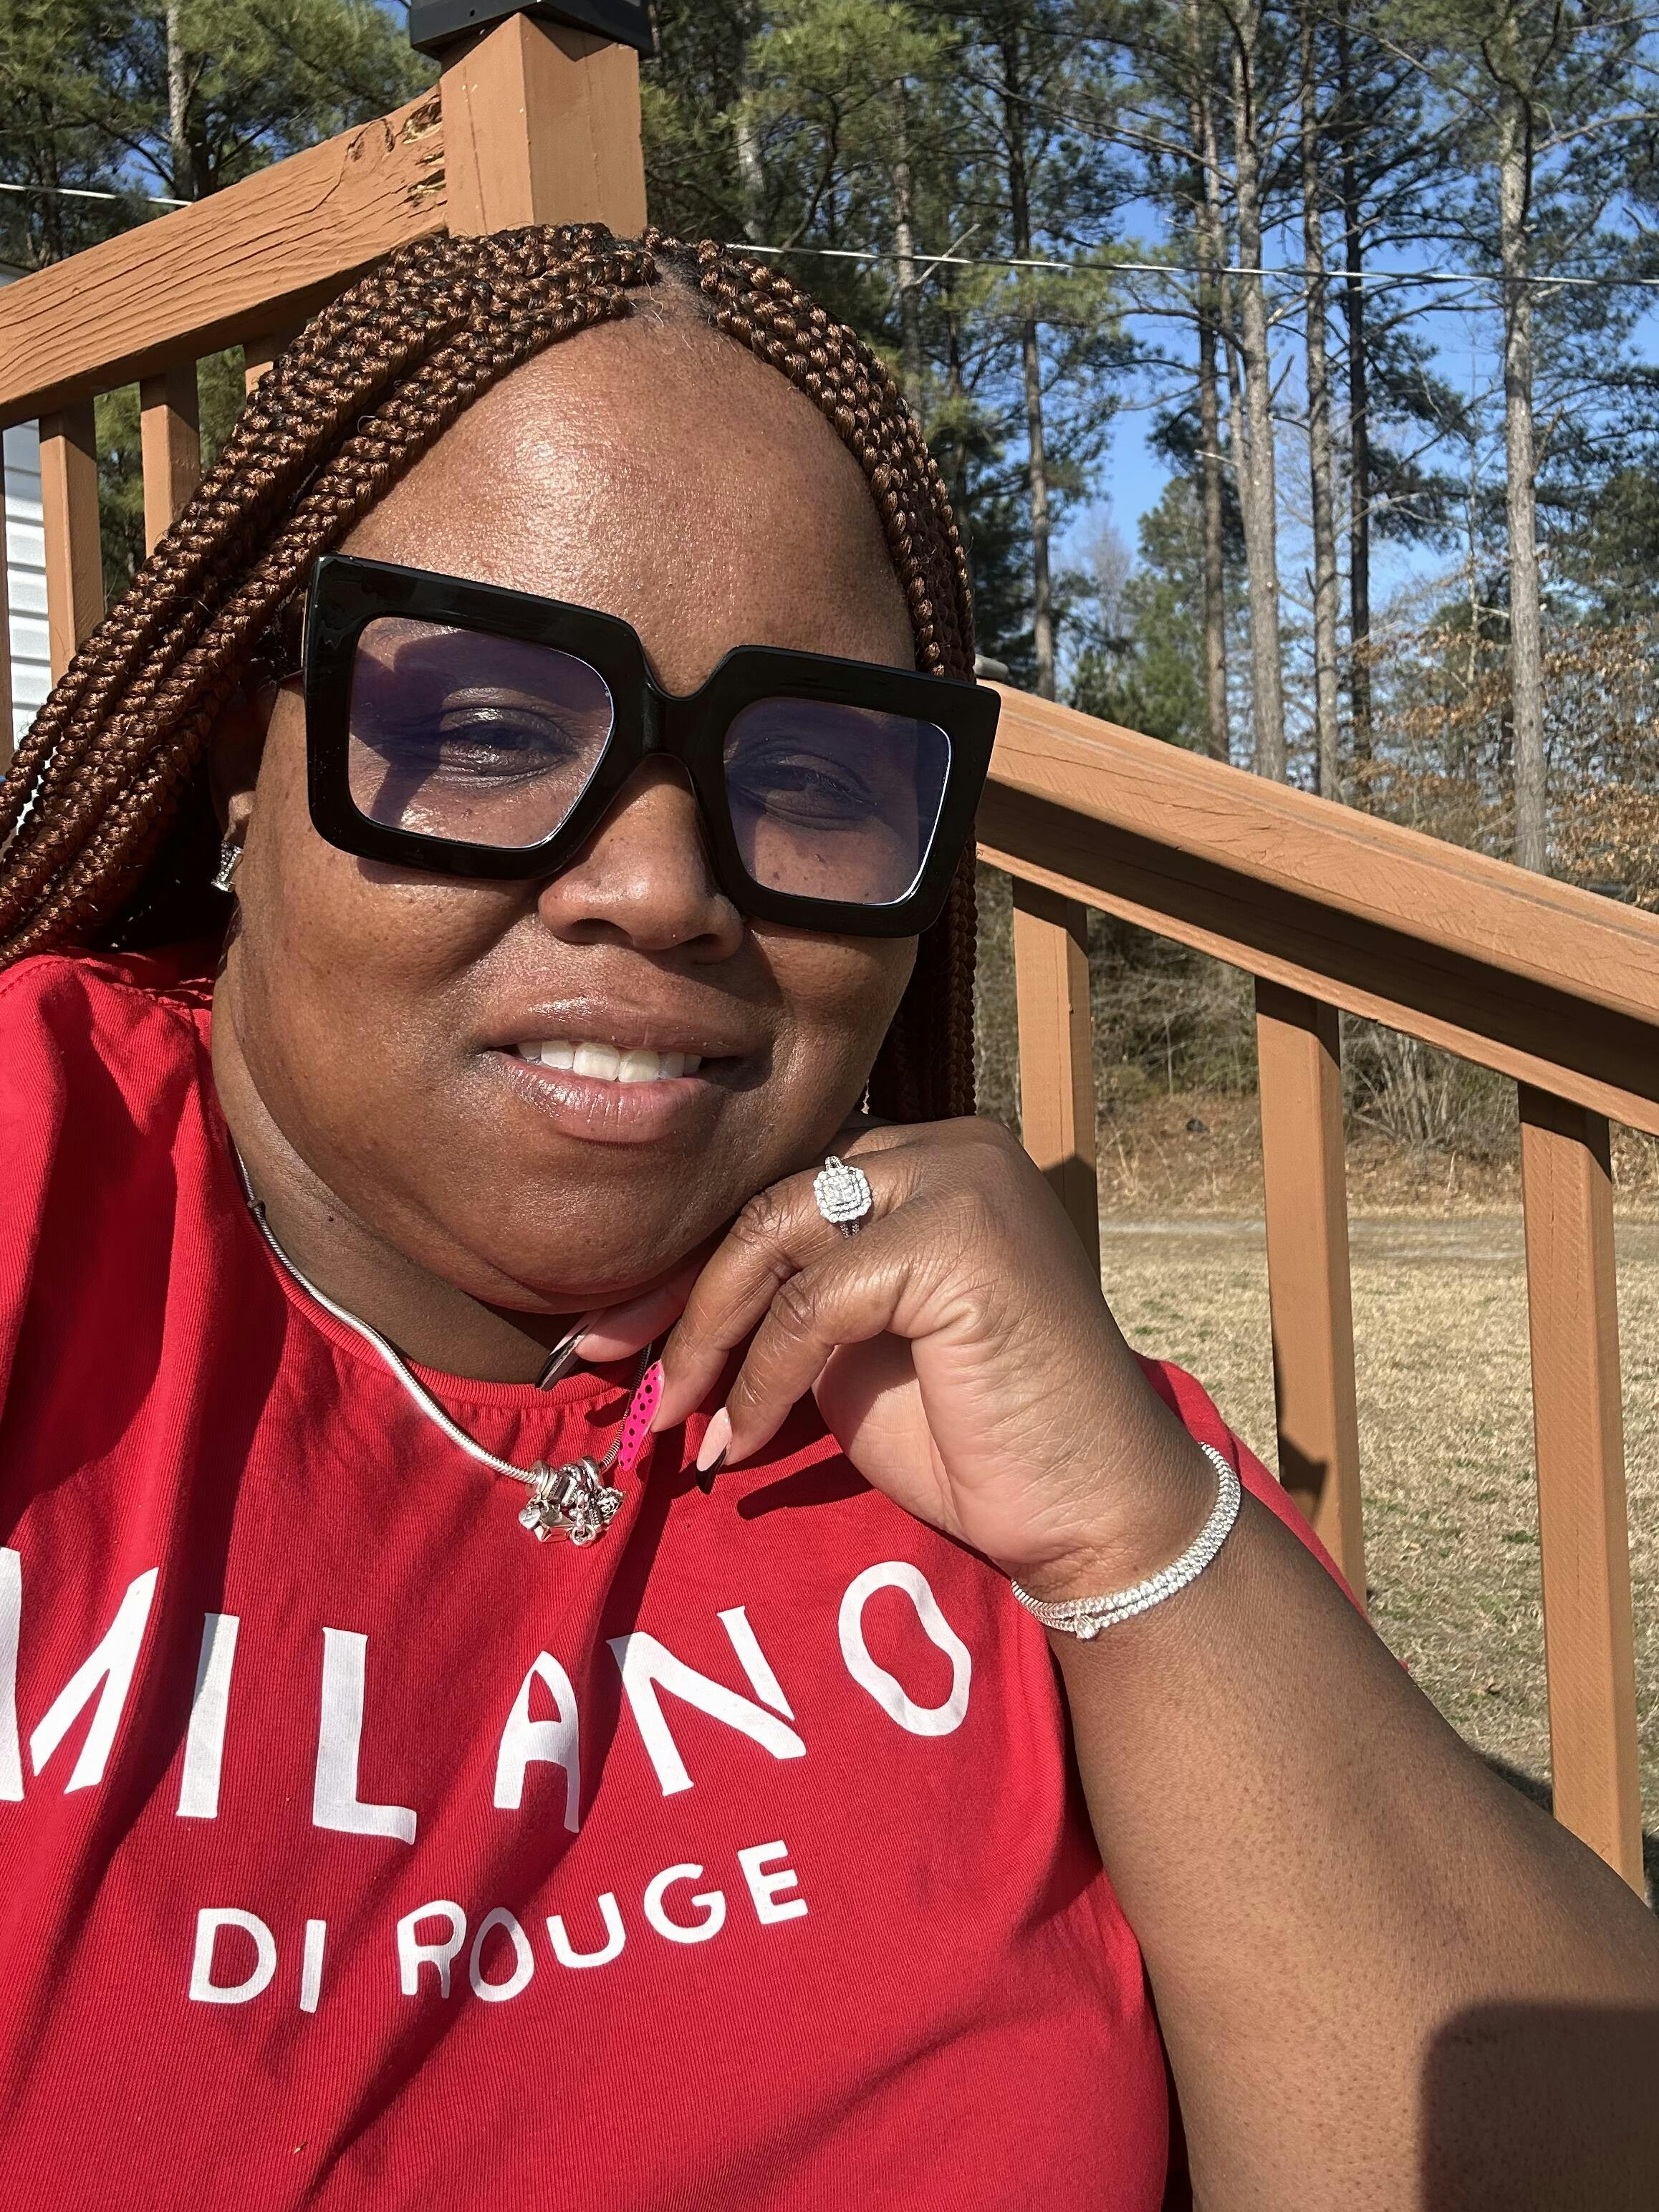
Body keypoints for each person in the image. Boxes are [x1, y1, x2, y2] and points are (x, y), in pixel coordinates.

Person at [0, 225, 1654, 2212]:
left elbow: (1556, 2143)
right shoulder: (42, 1178)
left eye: (807, 774)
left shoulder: (981, 1407)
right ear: (234, 764)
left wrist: (1134, 1541)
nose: (661, 886)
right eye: (493, 729)